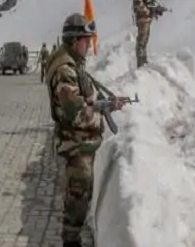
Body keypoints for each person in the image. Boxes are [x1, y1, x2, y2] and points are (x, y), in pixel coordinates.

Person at [44, 13, 126, 247]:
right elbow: (76, 114)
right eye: (85, 40)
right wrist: (101, 113)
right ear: (74, 40)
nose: (89, 45)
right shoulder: (65, 70)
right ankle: (71, 242)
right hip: (74, 145)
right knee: (77, 199)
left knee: (80, 196)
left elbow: (86, 100)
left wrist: (107, 104)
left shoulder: (74, 64)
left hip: (81, 143)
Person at [130, 0, 160, 67]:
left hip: (146, 19)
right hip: (142, 19)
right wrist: (149, 11)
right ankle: (140, 63)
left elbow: (152, 2)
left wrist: (157, 9)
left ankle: (144, 62)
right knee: (141, 42)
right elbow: (139, 5)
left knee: (144, 41)